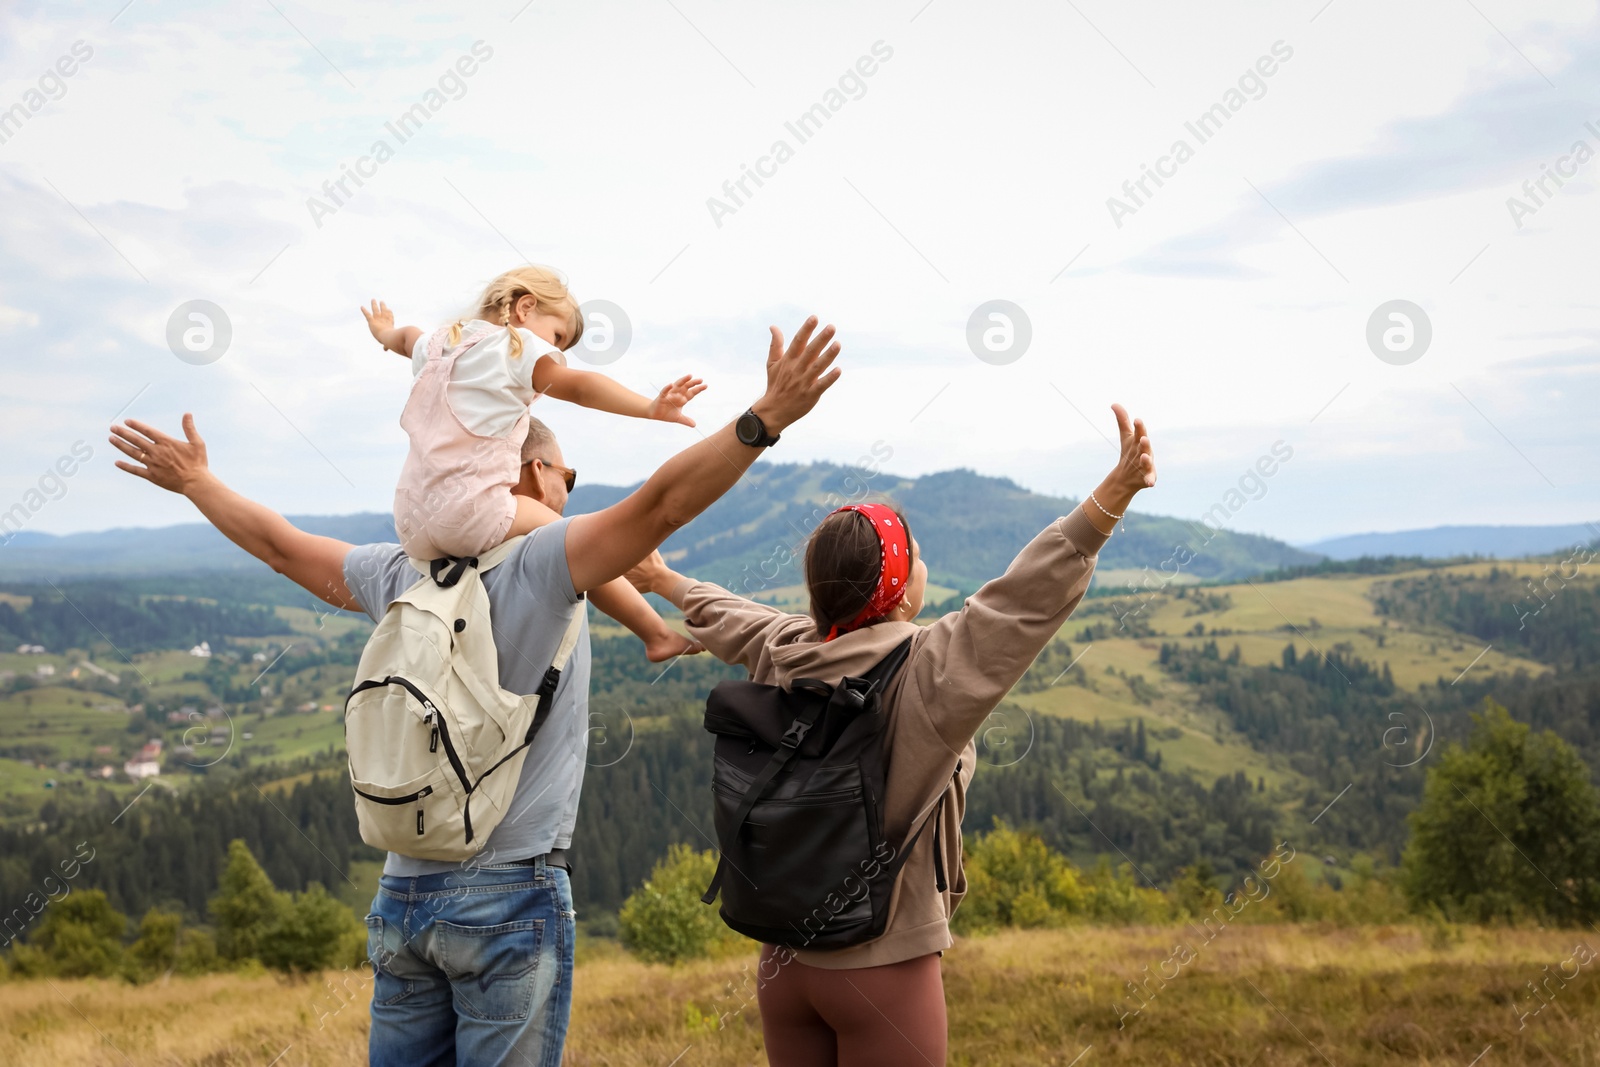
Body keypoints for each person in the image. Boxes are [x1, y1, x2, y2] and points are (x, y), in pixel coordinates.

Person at [108, 315, 843, 1067]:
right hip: (510, 894)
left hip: (402, 893)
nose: (568, 490)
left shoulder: (402, 570)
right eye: (568, 476)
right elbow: (661, 506)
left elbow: (278, 546)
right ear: (526, 473)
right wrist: (764, 420)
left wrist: (198, 481)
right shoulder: (541, 563)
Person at [628, 403, 1157, 1067]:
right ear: (902, 590)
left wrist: (661, 579)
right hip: (883, 964)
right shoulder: (928, 670)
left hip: (782, 962)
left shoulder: (785, 647)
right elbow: (1021, 600)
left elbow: (734, 617)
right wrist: (1111, 498)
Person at [362, 264, 707, 660]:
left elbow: (408, 338)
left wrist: (383, 333)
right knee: (572, 543)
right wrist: (648, 407)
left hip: (412, 521)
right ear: (525, 307)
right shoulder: (515, 346)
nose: (557, 351)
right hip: (471, 513)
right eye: (558, 336)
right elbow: (580, 387)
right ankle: (656, 635)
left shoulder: (439, 345)